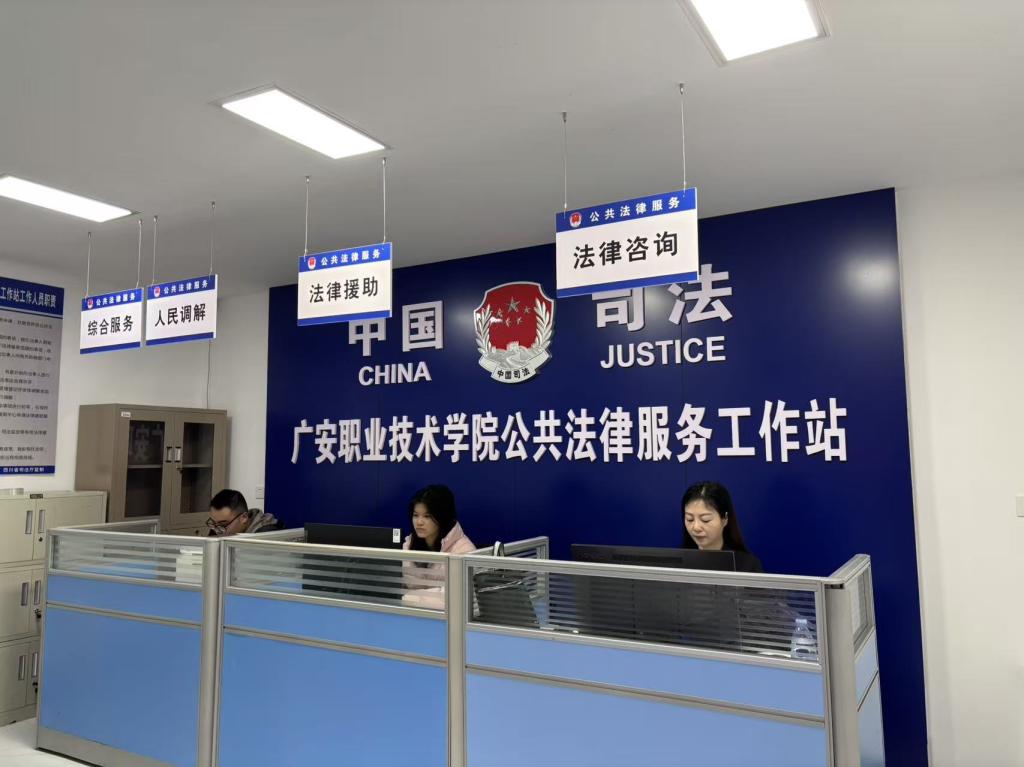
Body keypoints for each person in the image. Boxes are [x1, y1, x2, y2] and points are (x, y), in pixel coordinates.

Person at [402, 485, 475, 606]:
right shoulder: (410, 544)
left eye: (427, 516)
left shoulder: (464, 551)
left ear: (442, 517)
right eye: (415, 515)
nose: (419, 522)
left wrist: (410, 598)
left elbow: (458, 598)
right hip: (414, 614)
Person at [681, 481, 763, 573]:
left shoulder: (747, 565)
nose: (696, 527)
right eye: (690, 519)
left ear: (724, 519)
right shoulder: (678, 562)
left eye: (705, 520)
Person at [206, 489, 280, 536]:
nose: (217, 531)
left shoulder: (266, 535)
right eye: (213, 524)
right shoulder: (218, 528)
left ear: (244, 518)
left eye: (223, 525)